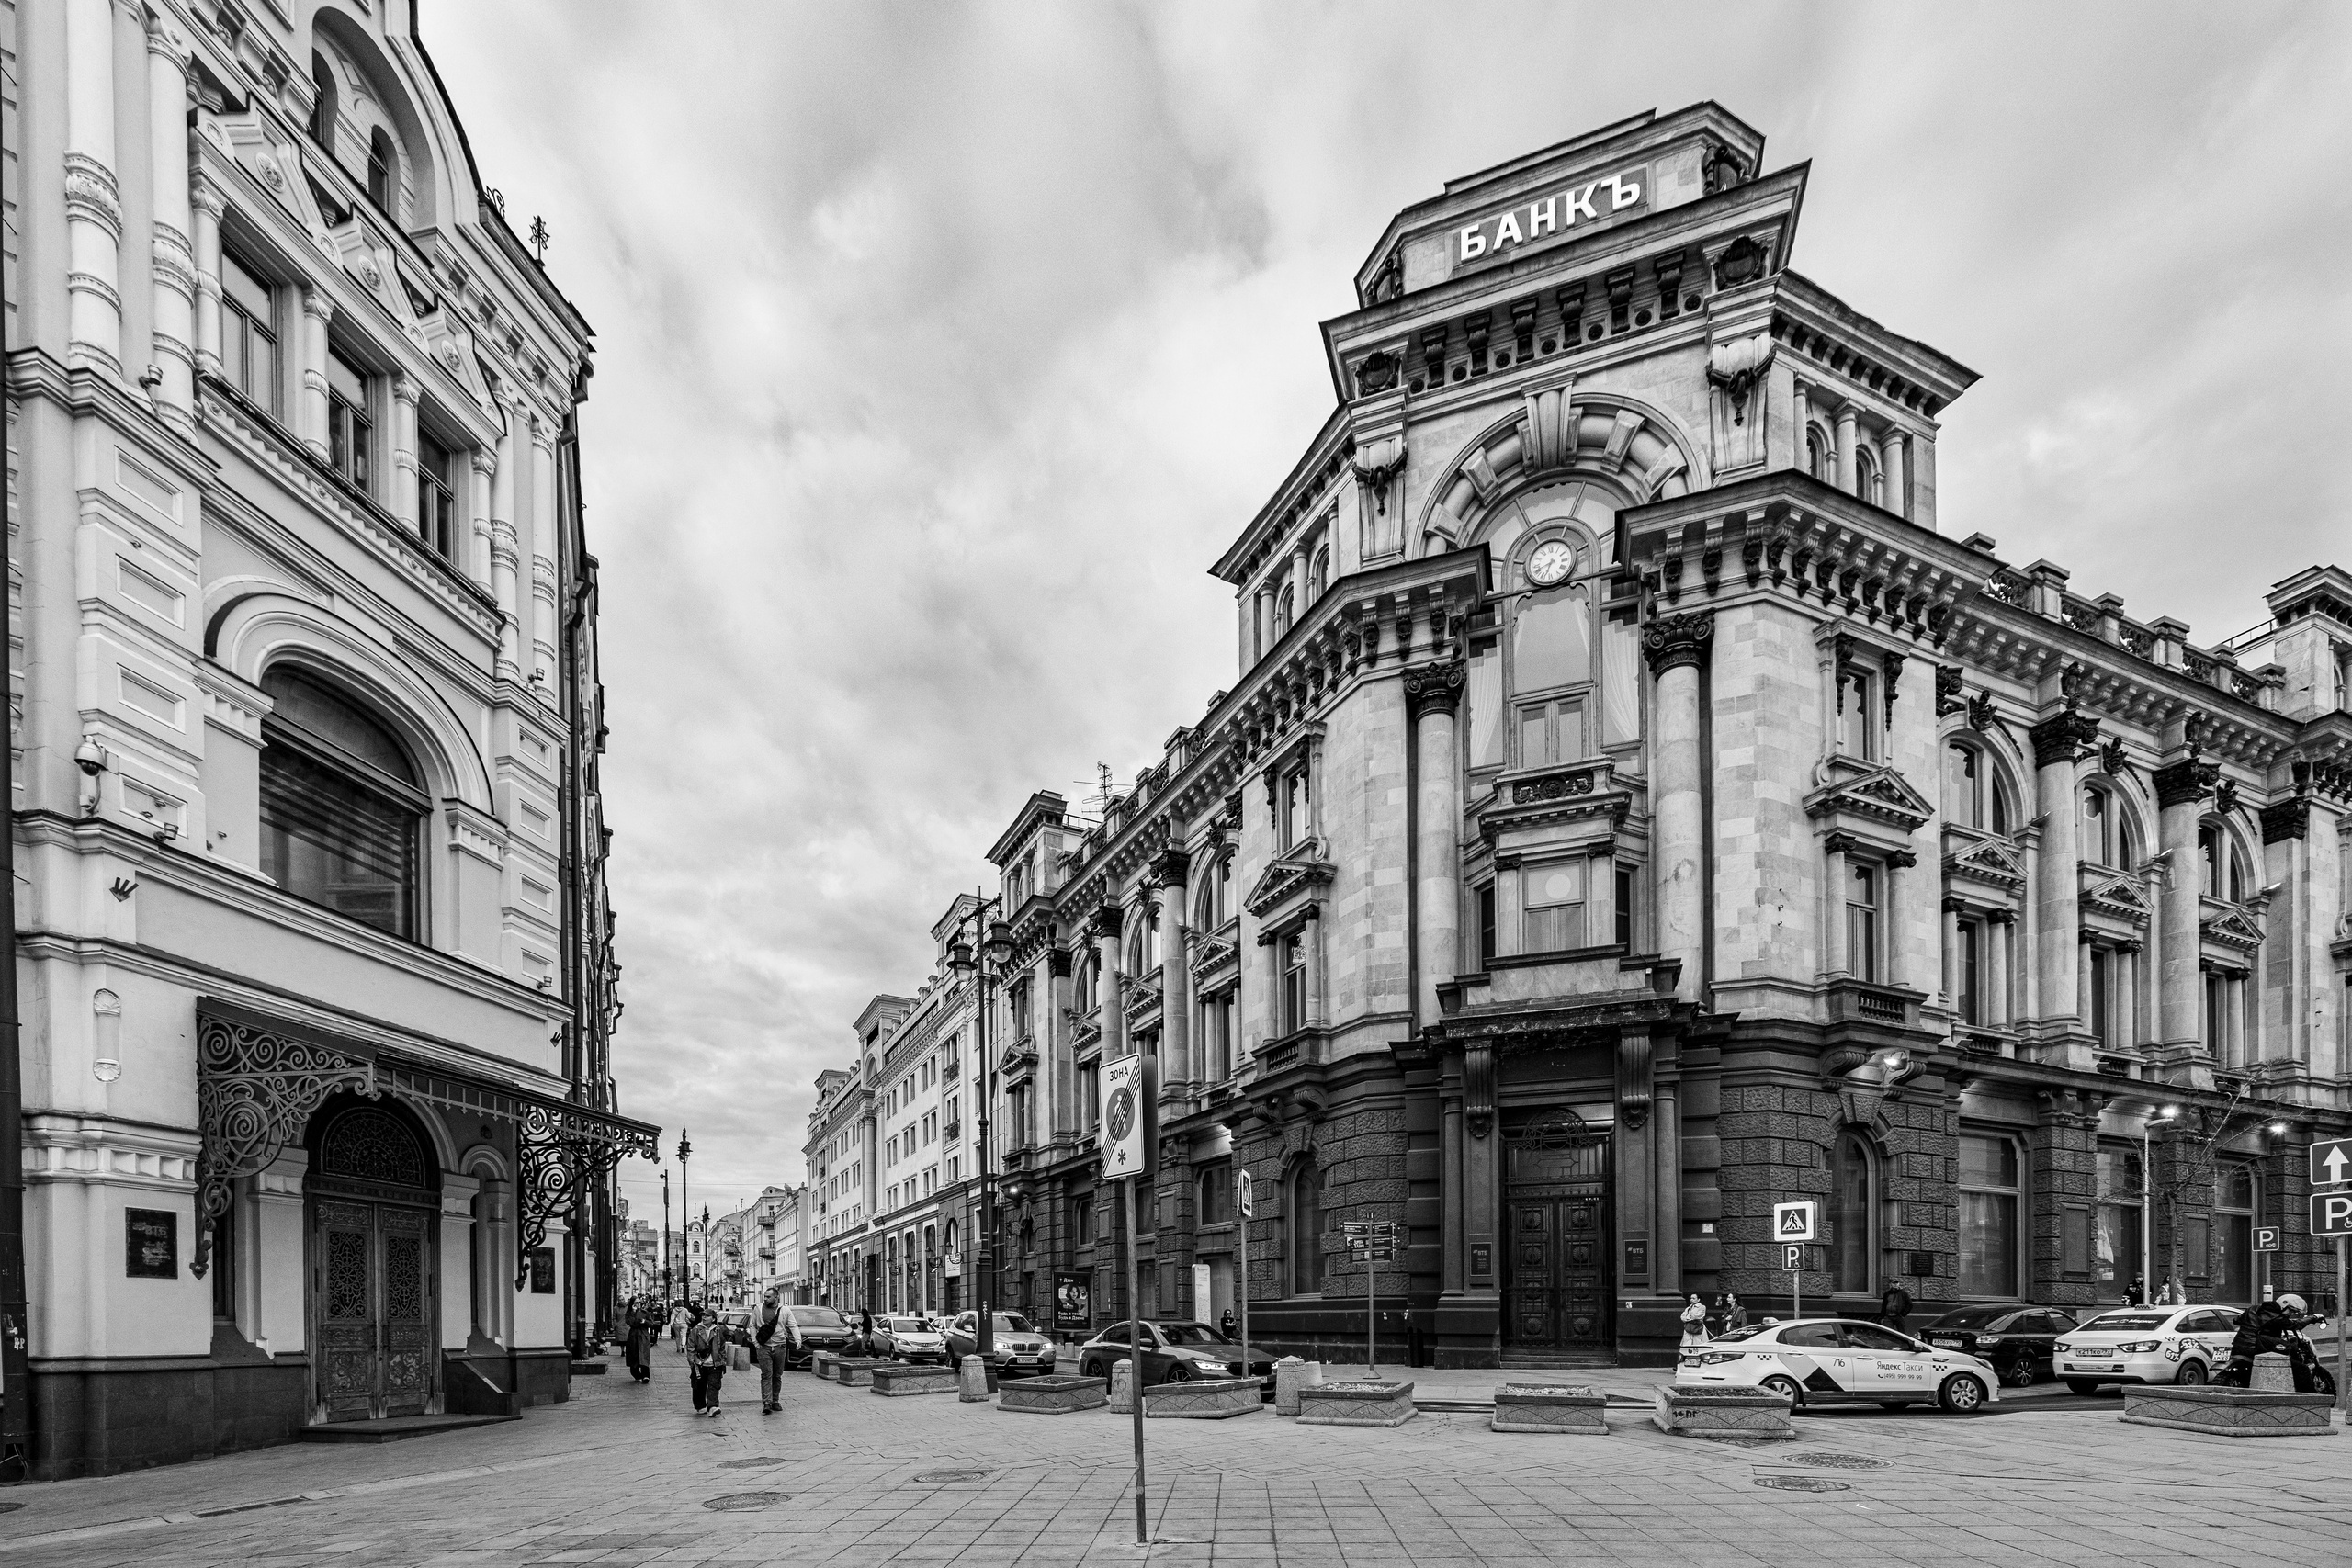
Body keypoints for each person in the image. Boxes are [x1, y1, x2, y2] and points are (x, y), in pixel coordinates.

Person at [686, 1304, 732, 1416]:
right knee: (699, 1386)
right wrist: (692, 1361)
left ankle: (712, 1406)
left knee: (714, 1385)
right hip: (700, 1363)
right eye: (703, 1316)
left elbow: (722, 1346)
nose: (704, 1318)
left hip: (715, 1363)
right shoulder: (696, 1330)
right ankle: (700, 1405)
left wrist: (722, 1359)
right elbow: (690, 1346)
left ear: (713, 1318)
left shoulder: (718, 1330)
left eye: (707, 1316)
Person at [752, 1287, 788, 1414]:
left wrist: (798, 1338)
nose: (765, 1298)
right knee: (766, 1375)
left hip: (780, 1346)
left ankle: (775, 1401)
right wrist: (755, 1342)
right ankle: (767, 1403)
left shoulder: (784, 1309)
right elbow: (752, 1325)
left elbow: (792, 1324)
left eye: (768, 1296)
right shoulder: (758, 1308)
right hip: (764, 1346)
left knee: (777, 1375)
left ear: (776, 1297)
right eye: (765, 1296)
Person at [624, 1296, 655, 1383]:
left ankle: (645, 1375)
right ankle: (636, 1374)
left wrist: (645, 1322)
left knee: (644, 1355)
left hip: (643, 1336)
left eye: (639, 1303)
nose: (638, 1305)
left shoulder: (645, 1313)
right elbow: (631, 1323)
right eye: (636, 1303)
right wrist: (633, 1312)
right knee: (634, 1355)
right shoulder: (629, 1313)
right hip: (633, 1336)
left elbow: (651, 1324)